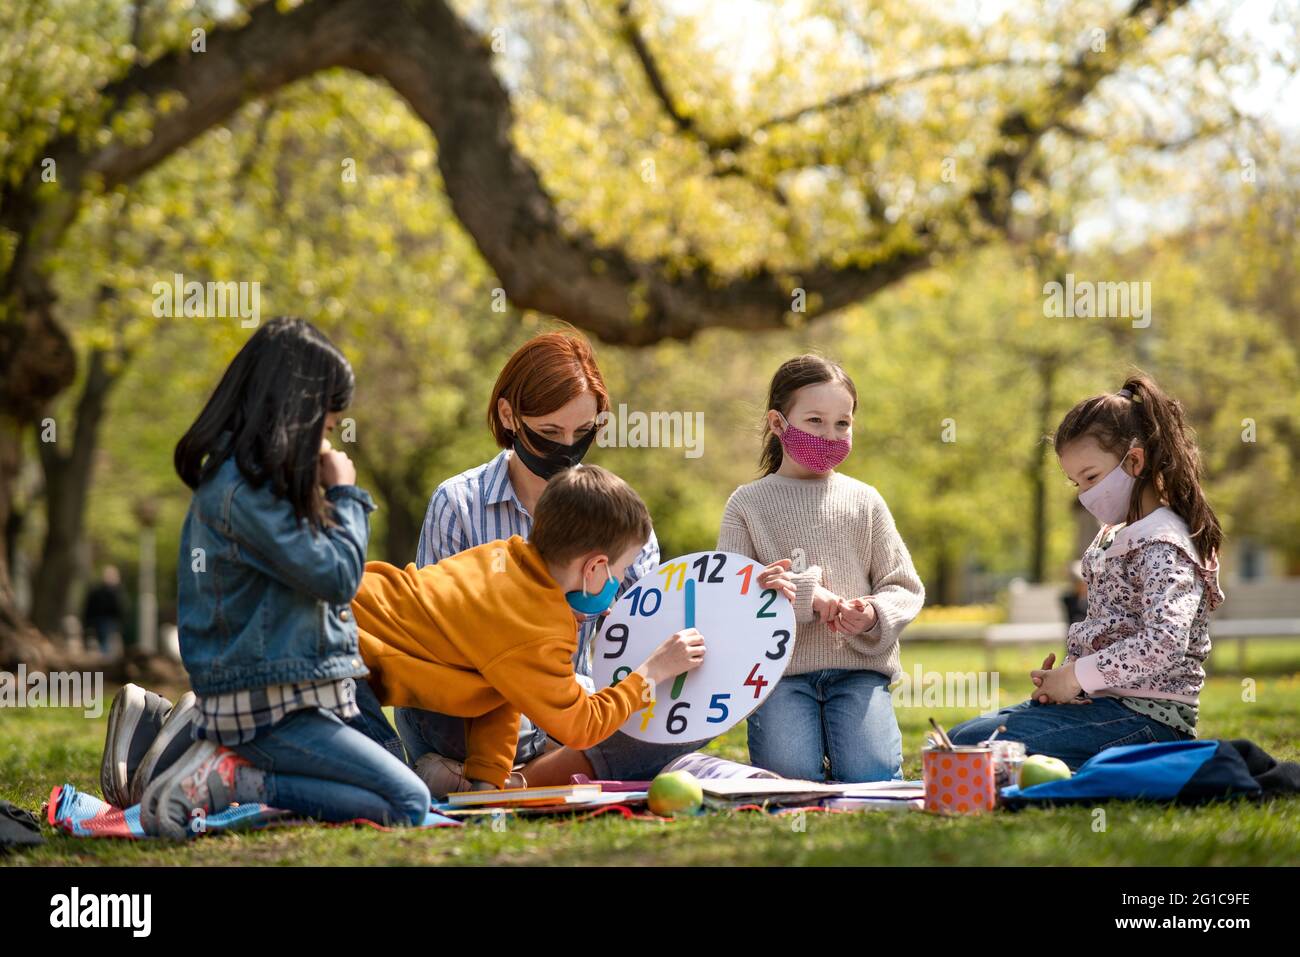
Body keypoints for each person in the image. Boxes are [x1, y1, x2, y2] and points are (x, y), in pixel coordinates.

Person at [100, 317, 430, 837]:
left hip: (297, 703)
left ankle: (215, 761)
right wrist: (345, 493)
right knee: (409, 801)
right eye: (324, 422)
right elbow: (338, 576)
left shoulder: (257, 484)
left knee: (393, 797)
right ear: (294, 410)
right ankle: (231, 780)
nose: (327, 437)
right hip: (270, 712)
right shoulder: (243, 493)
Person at [404, 331, 715, 793]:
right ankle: (551, 767)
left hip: (571, 710)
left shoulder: (622, 519)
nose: (566, 448)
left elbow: (651, 643)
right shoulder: (459, 503)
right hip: (471, 702)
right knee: (465, 703)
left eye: (582, 433)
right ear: (509, 415)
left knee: (686, 716)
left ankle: (505, 784)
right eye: (549, 432)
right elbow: (430, 644)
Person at [352, 465, 706, 793]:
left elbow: (497, 695)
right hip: (339, 656)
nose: (614, 586)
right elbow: (583, 726)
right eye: (617, 574)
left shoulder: (506, 558)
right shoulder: (537, 626)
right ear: (595, 567)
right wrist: (652, 671)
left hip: (343, 614)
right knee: (397, 800)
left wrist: (486, 786)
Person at [949, 373, 1225, 769]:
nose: (1084, 493)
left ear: (1134, 460)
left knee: (975, 745)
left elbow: (1165, 641)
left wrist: (1079, 675)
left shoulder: (1164, 542)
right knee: (965, 736)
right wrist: (1065, 682)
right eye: (1076, 482)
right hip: (1103, 706)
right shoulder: (1115, 535)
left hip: (1149, 721)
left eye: (1091, 477)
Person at [718, 355, 925, 782]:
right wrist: (808, 596)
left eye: (842, 424)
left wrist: (872, 613)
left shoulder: (865, 500)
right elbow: (731, 599)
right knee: (790, 779)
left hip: (858, 671)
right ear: (778, 423)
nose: (830, 435)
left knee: (872, 777)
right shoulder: (746, 504)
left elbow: (902, 584)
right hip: (779, 674)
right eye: (814, 420)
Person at [82, 565, 126, 656]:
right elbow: (90, 607)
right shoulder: (98, 591)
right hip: (100, 621)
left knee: (107, 643)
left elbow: (121, 608)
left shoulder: (118, 591)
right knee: (103, 642)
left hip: (111, 622)